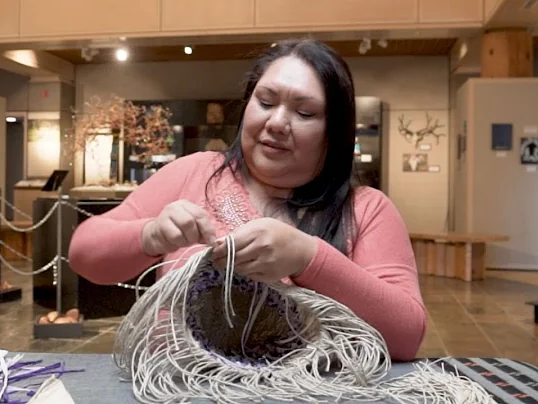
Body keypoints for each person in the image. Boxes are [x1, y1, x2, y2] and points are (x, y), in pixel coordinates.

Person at [68, 39, 427, 361]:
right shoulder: (196, 172)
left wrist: (308, 258)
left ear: (334, 132)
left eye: (304, 113)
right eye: (266, 102)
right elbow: (84, 253)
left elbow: (407, 335)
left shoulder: (365, 209)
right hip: (176, 391)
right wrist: (151, 235)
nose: (276, 122)